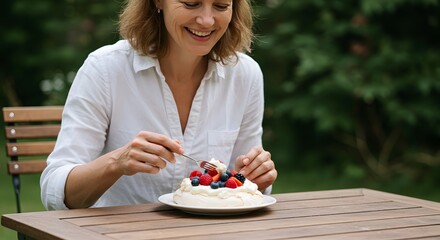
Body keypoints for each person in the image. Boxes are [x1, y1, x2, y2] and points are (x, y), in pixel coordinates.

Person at [40, 0, 277, 210]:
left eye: (221, 6)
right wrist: (116, 163)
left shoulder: (245, 74)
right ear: (157, 2)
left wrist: (257, 175)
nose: (206, 20)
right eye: (191, 4)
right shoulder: (104, 70)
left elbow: (244, 182)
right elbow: (55, 190)